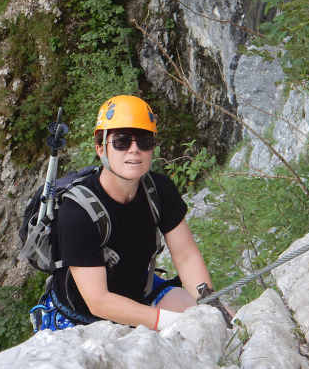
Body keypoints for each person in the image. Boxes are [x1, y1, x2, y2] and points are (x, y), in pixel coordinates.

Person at [45, 95, 230, 331]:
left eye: (144, 141)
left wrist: (209, 304)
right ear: (100, 148)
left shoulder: (159, 190)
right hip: (82, 317)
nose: (134, 150)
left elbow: (186, 256)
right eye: (121, 142)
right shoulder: (77, 212)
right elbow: (98, 301)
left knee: (223, 323)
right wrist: (169, 322)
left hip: (139, 292)